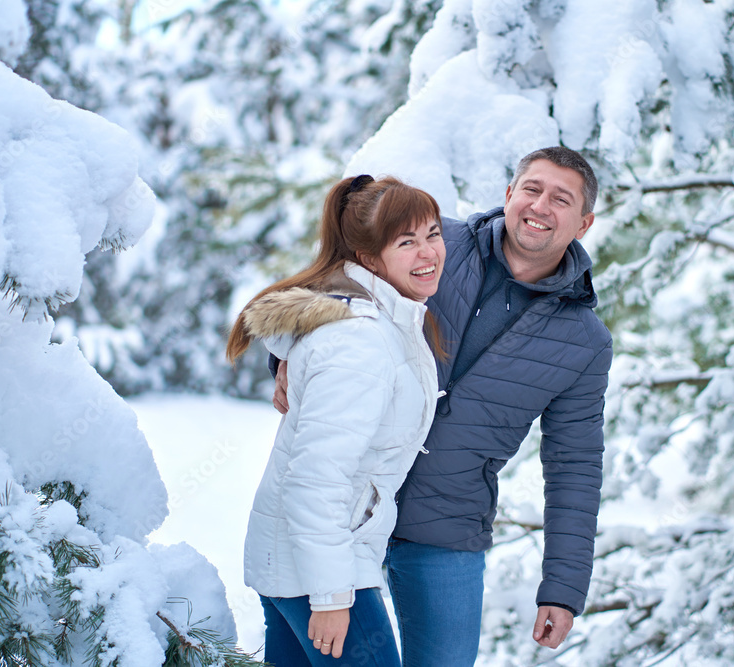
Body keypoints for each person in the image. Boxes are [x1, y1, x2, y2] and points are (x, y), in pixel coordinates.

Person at [276, 146, 613, 666]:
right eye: (532, 188)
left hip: (446, 526)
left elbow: (575, 467)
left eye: (561, 199)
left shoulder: (584, 341)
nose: (540, 206)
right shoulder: (437, 242)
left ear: (583, 222)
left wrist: (563, 588)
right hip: (346, 504)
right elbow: (332, 286)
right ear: (508, 195)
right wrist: (288, 354)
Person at [228, 175, 447, 666]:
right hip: (321, 573)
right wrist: (329, 597)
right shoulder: (360, 342)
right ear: (369, 259)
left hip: (306, 562)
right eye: (406, 242)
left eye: (433, 234)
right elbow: (316, 478)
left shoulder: (388, 321)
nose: (428, 252)